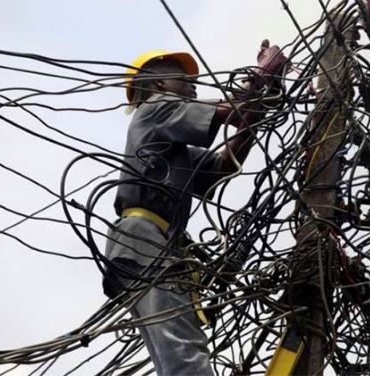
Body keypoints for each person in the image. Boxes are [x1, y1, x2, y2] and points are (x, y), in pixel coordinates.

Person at [102, 41, 288, 375]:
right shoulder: (156, 107)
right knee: (182, 347)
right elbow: (233, 112)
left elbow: (223, 167)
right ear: (158, 85)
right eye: (183, 78)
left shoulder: (171, 147)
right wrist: (262, 76)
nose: (193, 84)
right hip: (145, 239)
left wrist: (257, 106)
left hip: (151, 245)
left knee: (175, 345)